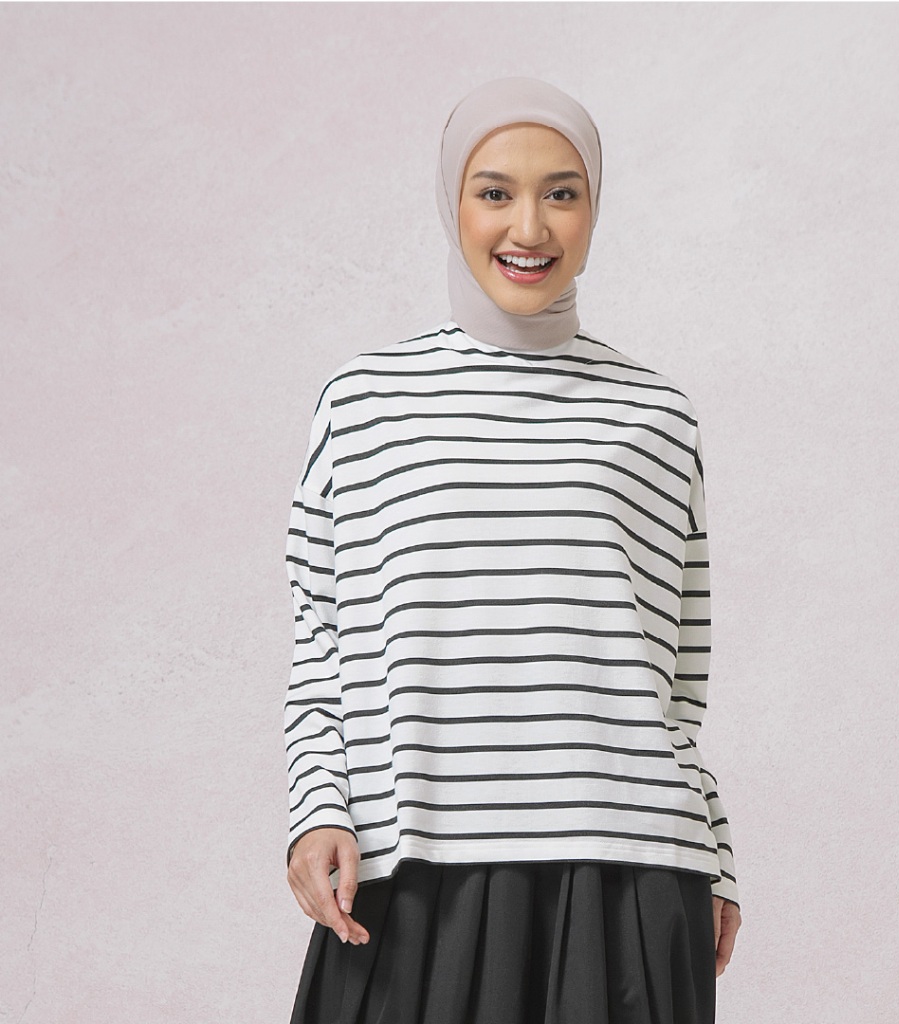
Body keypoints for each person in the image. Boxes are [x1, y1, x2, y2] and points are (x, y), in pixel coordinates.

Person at [284, 77, 741, 1024]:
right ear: (451, 200)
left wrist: (715, 855)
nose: (528, 227)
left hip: (630, 873)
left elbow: (676, 682)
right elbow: (321, 643)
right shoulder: (363, 404)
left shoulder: (657, 416)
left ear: (594, 207)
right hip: (414, 872)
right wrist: (318, 808)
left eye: (561, 193)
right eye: (494, 191)